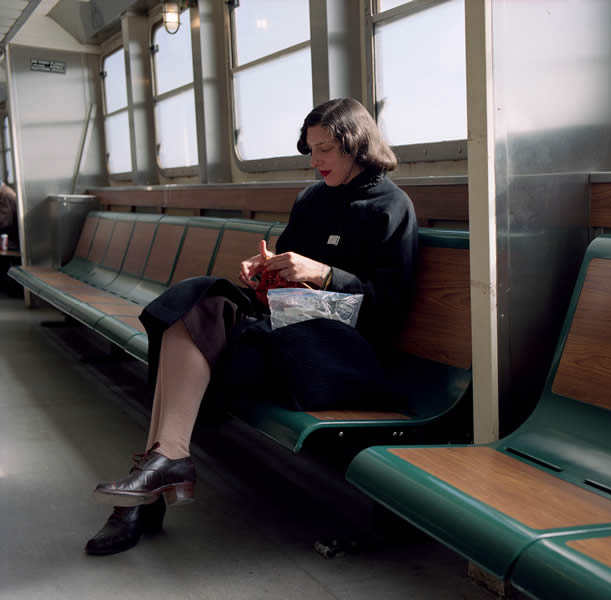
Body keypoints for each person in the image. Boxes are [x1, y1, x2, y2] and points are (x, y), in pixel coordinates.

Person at [84, 98, 418, 555]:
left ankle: (152, 484)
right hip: (286, 327)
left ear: (357, 146)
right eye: (311, 149)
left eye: (326, 149)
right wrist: (265, 274)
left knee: (202, 340)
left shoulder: (391, 206)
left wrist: (323, 274)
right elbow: (283, 276)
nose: (315, 161)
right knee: (197, 298)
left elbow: (389, 307)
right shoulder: (311, 200)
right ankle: (168, 458)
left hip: (341, 352)